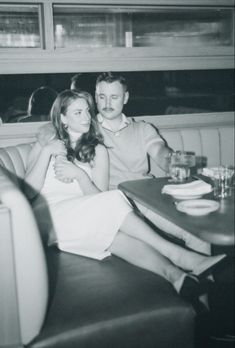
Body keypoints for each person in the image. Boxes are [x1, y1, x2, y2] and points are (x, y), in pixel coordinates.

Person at [24, 89, 225, 307]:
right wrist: (46, 152)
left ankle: (176, 277)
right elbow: (27, 192)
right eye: (78, 112)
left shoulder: (98, 150)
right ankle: (181, 256)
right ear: (63, 118)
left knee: (117, 237)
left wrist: (80, 176)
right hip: (49, 218)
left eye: (87, 112)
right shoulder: (43, 145)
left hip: (81, 219)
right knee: (115, 197)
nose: (86, 118)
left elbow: (97, 198)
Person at [36, 73, 209, 255]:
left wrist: (173, 161)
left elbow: (160, 151)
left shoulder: (142, 129)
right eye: (102, 97)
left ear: (125, 98)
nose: (107, 103)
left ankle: (206, 280)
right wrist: (48, 136)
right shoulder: (87, 128)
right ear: (95, 98)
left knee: (198, 233)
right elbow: (49, 129)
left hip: (147, 197)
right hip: (115, 202)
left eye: (114, 97)